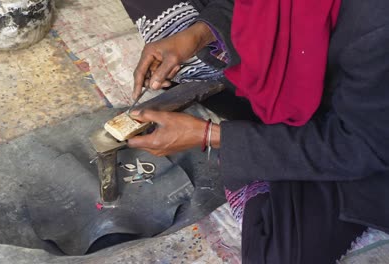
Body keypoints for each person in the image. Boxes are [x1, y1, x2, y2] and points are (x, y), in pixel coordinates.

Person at [121, 0, 389, 263]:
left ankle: (260, 151)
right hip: (297, 77)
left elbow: (362, 144)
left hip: (359, 132)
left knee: (278, 254)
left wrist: (213, 135)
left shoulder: (376, 18)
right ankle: (258, 128)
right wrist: (197, 34)